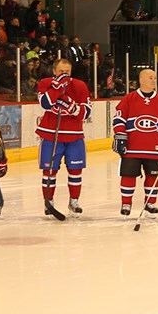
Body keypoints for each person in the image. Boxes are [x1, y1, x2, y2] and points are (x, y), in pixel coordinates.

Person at [112, 69, 158, 218]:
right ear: (141, 80)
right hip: (132, 147)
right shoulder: (129, 98)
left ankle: (150, 203)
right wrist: (120, 136)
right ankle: (126, 203)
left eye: (155, 78)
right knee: (128, 175)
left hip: (154, 148)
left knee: (153, 176)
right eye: (151, 78)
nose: (154, 80)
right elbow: (118, 119)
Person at [35, 58, 92, 218]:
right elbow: (45, 104)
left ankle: (74, 201)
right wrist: (58, 88)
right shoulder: (46, 83)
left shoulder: (80, 85)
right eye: (61, 72)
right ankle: (49, 201)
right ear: (54, 71)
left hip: (74, 135)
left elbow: (87, 111)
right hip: (50, 134)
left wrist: (74, 109)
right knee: (49, 170)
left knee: (75, 170)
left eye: (67, 72)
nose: (64, 75)